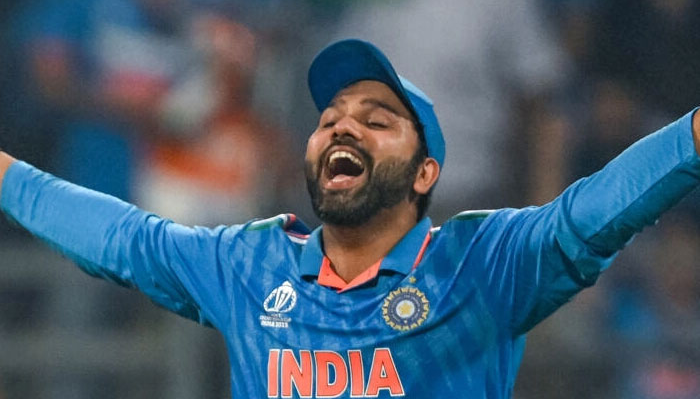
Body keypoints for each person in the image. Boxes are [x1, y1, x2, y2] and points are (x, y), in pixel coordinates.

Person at [1, 39, 699, 398]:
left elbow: (593, 210)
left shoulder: (481, 262)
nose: (342, 127)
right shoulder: (251, 264)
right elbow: (125, 239)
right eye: (329, 118)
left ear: (425, 174)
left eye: (378, 120)